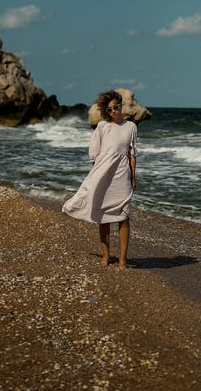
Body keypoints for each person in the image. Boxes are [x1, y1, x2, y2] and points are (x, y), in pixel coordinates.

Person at [62, 90, 137, 269]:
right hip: (103, 174)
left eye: (116, 107)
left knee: (123, 217)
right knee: (103, 218)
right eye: (110, 110)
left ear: (121, 105)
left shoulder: (131, 127)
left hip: (122, 175)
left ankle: (122, 260)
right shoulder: (102, 127)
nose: (114, 112)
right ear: (106, 111)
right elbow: (94, 156)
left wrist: (133, 177)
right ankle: (105, 255)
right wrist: (94, 178)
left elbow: (132, 154)